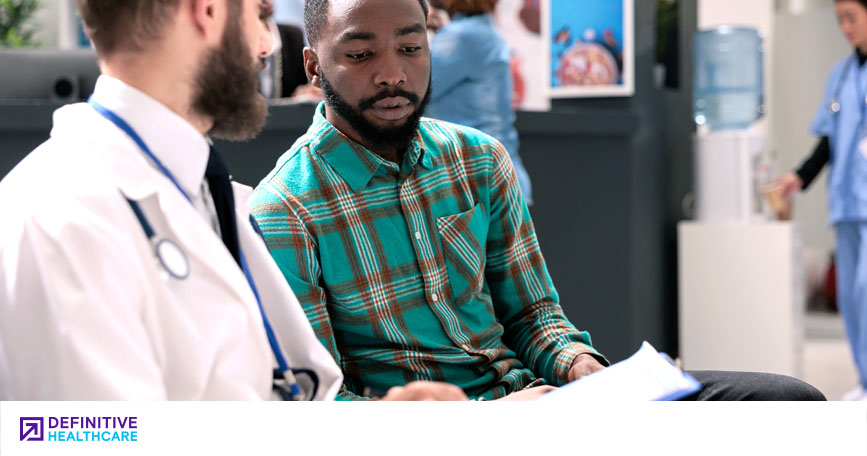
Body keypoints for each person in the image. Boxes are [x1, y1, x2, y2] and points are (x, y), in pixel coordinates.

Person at [251, 0, 824, 400]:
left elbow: (534, 315)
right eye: (359, 55)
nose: (392, 75)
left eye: (411, 47)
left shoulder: (477, 159)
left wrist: (583, 370)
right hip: (443, 434)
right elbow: (319, 404)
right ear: (312, 64)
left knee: (787, 400)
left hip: (543, 402)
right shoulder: (286, 210)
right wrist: (484, 418)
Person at [0, 0, 464, 402]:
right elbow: (92, 437)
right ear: (208, 11)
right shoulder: (63, 223)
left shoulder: (207, 194)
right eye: (260, 15)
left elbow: (281, 394)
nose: (267, 47)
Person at [774, 0, 867, 401]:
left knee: (866, 291)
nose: (845, 27)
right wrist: (800, 176)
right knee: (849, 296)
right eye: (840, 20)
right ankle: (865, 382)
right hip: (848, 202)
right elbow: (828, 141)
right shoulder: (842, 74)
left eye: (852, 18)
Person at [425, 0, 533, 205]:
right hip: (497, 177)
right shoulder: (482, 32)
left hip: (475, 182)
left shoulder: (460, 37)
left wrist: (413, 31)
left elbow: (415, 89)